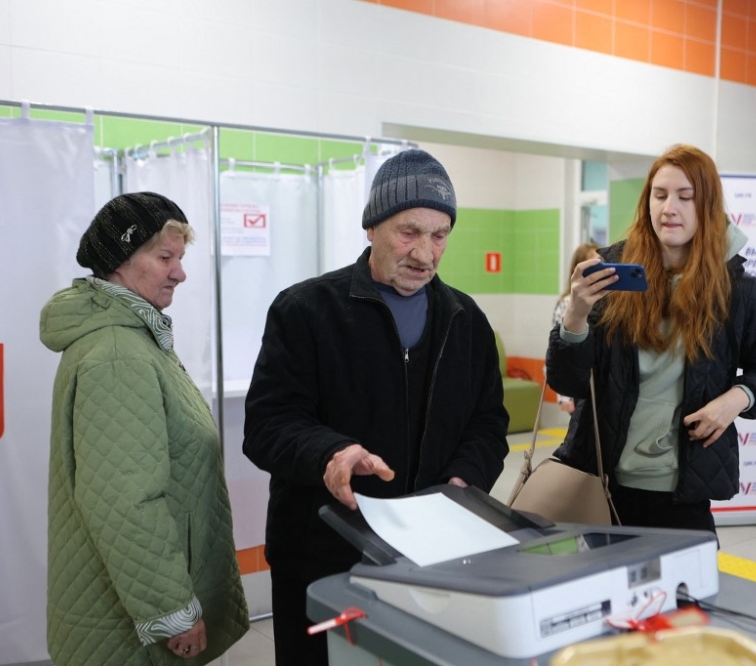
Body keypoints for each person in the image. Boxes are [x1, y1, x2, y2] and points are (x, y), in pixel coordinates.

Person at [243, 149, 510, 665]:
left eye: (440, 235)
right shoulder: (306, 311)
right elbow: (268, 425)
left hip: (429, 556)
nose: (425, 254)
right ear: (371, 227)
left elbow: (487, 422)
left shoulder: (465, 320)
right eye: (409, 232)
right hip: (323, 555)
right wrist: (331, 453)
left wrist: (465, 478)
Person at [40, 192, 250, 665]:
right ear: (120, 261)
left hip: (123, 597)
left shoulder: (134, 339)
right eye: (164, 258)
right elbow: (126, 502)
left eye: (181, 258)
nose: (180, 273)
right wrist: (170, 611)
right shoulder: (118, 356)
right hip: (127, 620)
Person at [545, 144, 756, 533]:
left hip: (684, 493)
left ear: (706, 206)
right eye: (659, 195)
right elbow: (568, 382)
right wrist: (575, 314)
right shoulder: (613, 277)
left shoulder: (734, 290)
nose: (668, 208)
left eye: (685, 197)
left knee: (688, 575)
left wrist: (736, 399)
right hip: (602, 485)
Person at [553, 241, 600, 413]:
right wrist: (563, 396)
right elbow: (560, 347)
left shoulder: (603, 300)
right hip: (576, 386)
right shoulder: (568, 303)